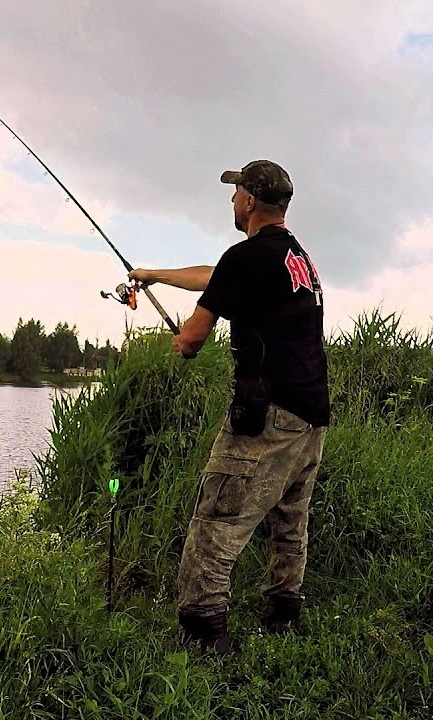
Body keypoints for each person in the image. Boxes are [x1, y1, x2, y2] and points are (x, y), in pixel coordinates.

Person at [128, 159, 330, 653]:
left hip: (267, 413)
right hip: (311, 414)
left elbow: (194, 338)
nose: (231, 200)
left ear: (251, 201)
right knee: (289, 520)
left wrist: (181, 342)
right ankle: (285, 614)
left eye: (236, 191)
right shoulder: (294, 257)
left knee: (216, 522)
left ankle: (203, 632)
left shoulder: (245, 259)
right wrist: (154, 274)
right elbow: (215, 276)